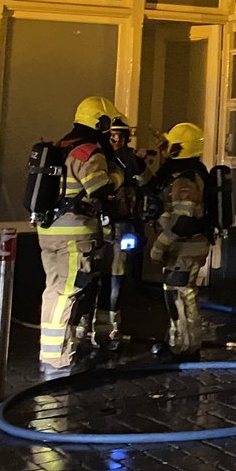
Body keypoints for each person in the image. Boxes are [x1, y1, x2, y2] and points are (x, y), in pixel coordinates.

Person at [38, 96, 124, 376]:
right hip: (74, 235)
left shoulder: (62, 146)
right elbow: (99, 187)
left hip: (49, 231)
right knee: (68, 292)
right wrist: (120, 176)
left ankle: (52, 351)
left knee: (54, 290)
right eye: (107, 124)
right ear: (99, 122)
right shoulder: (88, 151)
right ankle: (57, 358)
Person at [149, 121, 214, 359]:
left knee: (181, 296)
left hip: (185, 247)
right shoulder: (192, 172)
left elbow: (184, 222)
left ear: (179, 148)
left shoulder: (185, 180)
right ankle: (180, 341)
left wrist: (160, 244)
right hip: (186, 246)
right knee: (176, 293)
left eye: (171, 146)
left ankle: (185, 348)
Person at [88, 115, 152, 352]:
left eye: (119, 136)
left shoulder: (131, 159)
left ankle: (110, 328)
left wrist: (140, 165)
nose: (115, 139)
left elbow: (148, 184)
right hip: (96, 226)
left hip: (123, 226)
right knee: (92, 277)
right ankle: (87, 326)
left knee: (116, 277)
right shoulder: (97, 157)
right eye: (112, 135)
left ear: (126, 138)